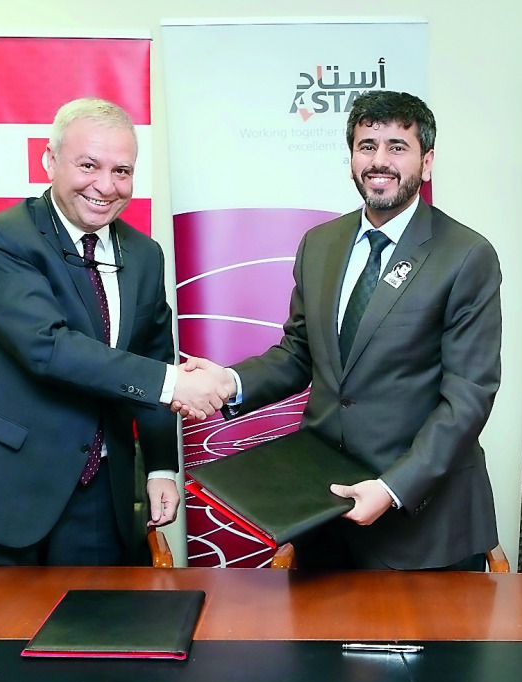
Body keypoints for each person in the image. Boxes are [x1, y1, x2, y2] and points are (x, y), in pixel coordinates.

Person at [182, 90, 501, 570]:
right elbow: (297, 353)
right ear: (351, 158)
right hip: (325, 510)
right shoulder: (320, 244)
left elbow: (468, 397)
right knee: (316, 646)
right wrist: (229, 382)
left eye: (397, 146)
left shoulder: (465, 255)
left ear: (427, 162)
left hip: (425, 522)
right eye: (366, 145)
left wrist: (394, 488)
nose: (379, 160)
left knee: (428, 649)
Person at [0, 97, 229, 567]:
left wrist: (161, 467)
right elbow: (47, 347)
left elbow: (154, 355)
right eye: (88, 165)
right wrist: (178, 384)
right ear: (50, 160)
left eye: (122, 171)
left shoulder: (145, 254)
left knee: (98, 637)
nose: (105, 187)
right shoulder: (2, 239)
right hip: (6, 489)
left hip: (101, 496)